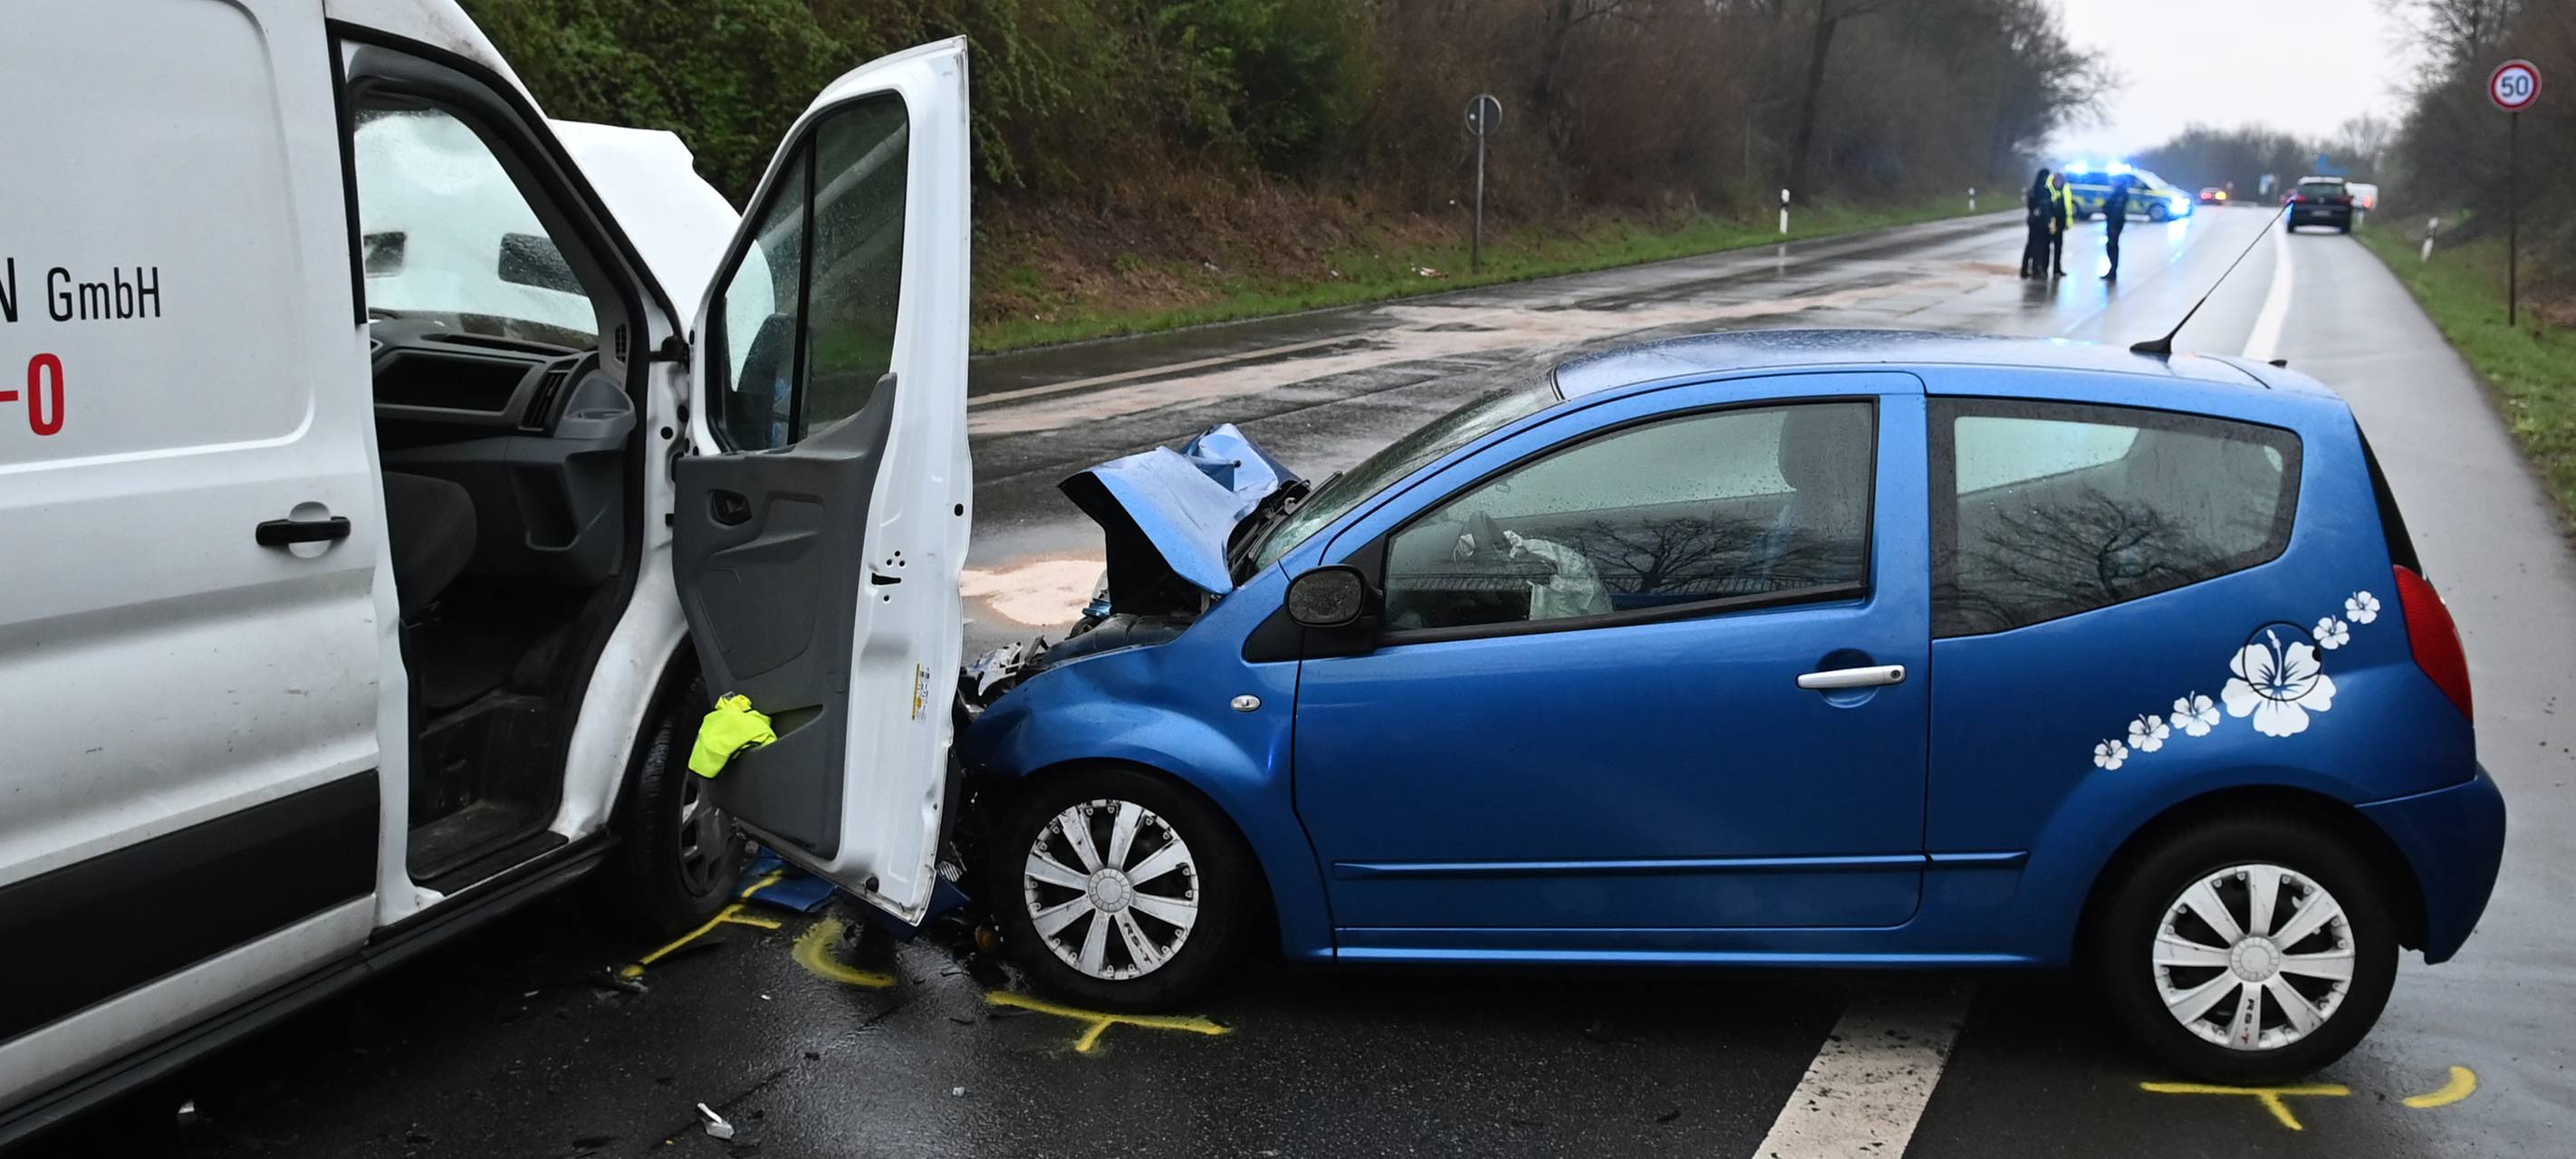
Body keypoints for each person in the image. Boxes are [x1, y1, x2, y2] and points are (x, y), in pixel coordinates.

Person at [2020, 168, 2052, 279]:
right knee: (2038, 246)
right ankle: (2035, 269)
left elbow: (2031, 206)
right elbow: (2045, 207)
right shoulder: (2043, 190)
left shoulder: (2033, 190)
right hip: (2040, 222)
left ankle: (2025, 269)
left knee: (2031, 245)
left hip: (2034, 221)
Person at [2100, 175, 2130, 280]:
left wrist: (2113, 225)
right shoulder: (2119, 193)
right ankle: (2112, 270)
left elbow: (2116, 210)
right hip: (2114, 222)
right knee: (2111, 246)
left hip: (2114, 223)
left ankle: (2113, 271)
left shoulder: (2120, 194)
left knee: (2112, 246)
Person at [2046, 172, 2075, 278]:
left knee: (2058, 248)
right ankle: (2044, 269)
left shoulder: (2065, 190)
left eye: (2061, 181)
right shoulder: (2049, 189)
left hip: (2060, 223)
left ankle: (2057, 269)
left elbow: (2068, 207)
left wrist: (2068, 222)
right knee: (2047, 249)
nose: (2059, 183)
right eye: (2057, 181)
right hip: (2050, 223)